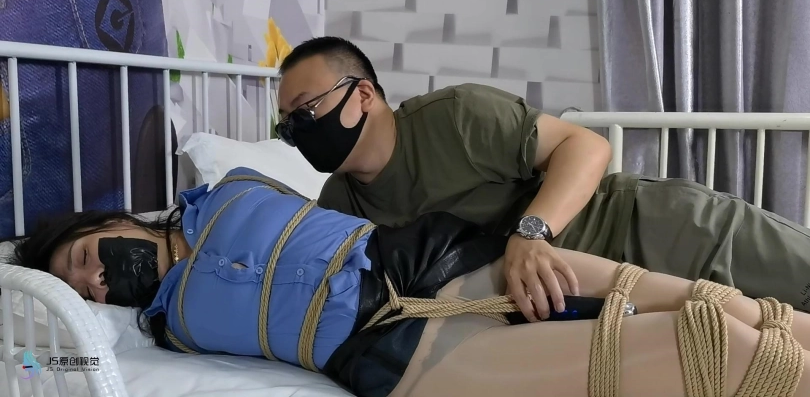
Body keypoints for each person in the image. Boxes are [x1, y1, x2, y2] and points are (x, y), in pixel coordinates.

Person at [7, 167, 810, 397]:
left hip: (436, 256)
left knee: (725, 302)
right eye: (88, 290)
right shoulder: (162, 330)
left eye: (86, 258)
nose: (99, 281)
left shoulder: (229, 187)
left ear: (113, 221)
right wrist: (39, 342)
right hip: (395, 353)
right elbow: (49, 361)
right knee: (715, 344)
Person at [274, 36, 810, 322]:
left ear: (363, 94)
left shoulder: (455, 118)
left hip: (654, 229)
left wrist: (530, 234)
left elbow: (586, 146)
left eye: (306, 109)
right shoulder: (339, 206)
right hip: (592, 301)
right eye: (287, 124)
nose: (298, 129)